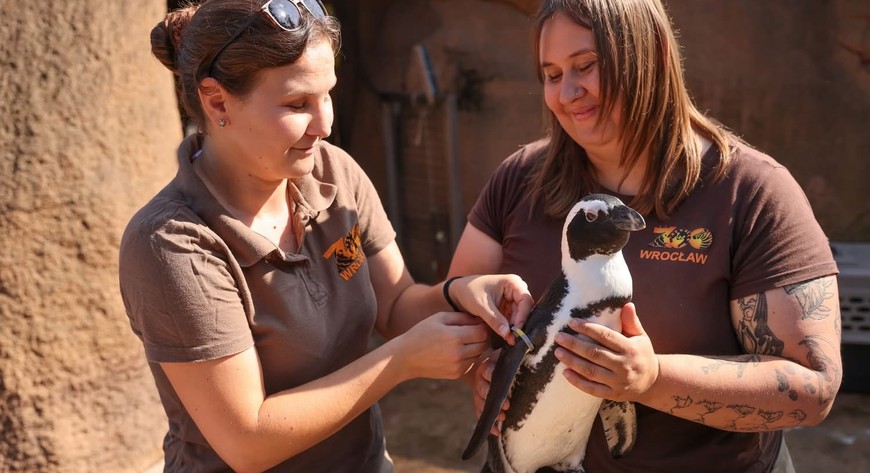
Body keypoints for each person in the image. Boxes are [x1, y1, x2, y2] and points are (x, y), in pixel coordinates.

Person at [118, 1, 532, 472]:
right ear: (216, 102)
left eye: (328, 95)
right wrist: (398, 362)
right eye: (297, 105)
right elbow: (248, 440)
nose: (325, 125)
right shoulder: (171, 243)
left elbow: (397, 307)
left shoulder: (333, 172)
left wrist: (460, 294)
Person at [451, 0, 842, 472]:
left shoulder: (750, 193)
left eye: (586, 66)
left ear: (650, 52)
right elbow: (453, 313)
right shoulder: (521, 180)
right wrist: (487, 367)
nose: (568, 92)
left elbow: (812, 388)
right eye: (551, 74)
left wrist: (651, 380)